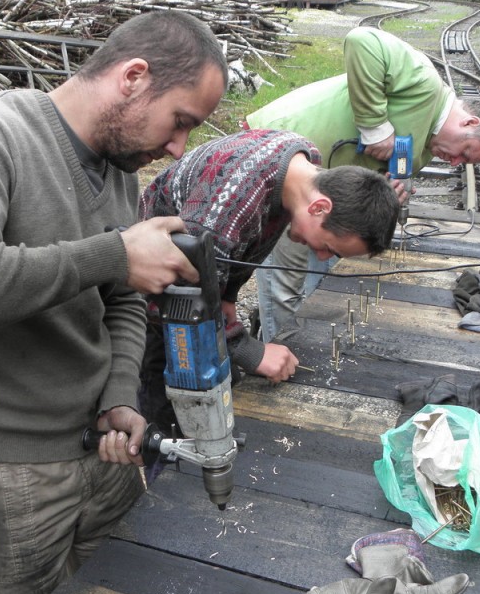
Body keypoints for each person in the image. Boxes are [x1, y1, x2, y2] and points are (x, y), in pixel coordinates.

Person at [0, 9, 228, 594]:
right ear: (133, 77)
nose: (178, 148)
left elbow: (122, 300)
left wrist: (120, 393)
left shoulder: (118, 169)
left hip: (101, 450)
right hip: (4, 469)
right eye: (180, 121)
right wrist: (113, 253)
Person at [246, 25, 480, 342]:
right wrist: (375, 128)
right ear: (470, 121)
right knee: (285, 276)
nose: (455, 162)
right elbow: (362, 40)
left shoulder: (429, 142)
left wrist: (390, 190)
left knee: (322, 262)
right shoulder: (425, 83)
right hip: (281, 155)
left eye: (463, 162)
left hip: (324, 189)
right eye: (465, 152)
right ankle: (275, 348)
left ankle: (293, 335)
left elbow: (381, 172)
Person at [137, 127, 402, 431]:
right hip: (153, 293)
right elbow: (180, 297)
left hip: (198, 272)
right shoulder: (231, 199)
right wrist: (248, 350)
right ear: (319, 207)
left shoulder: (303, 163)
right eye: (329, 247)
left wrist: (228, 295)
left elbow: (250, 239)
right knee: (172, 405)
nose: (322, 256)